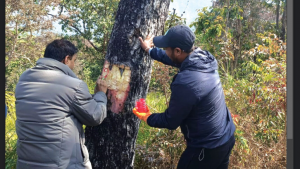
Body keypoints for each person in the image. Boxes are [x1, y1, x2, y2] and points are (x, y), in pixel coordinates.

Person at [133, 25, 236, 169]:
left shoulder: (186, 82)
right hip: (227, 136)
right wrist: (149, 50)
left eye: (166, 49)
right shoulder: (205, 59)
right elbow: (173, 59)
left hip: (206, 148)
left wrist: (147, 117)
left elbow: (170, 121)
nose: (165, 52)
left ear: (178, 51)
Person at [15, 39, 108, 169]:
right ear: (66, 59)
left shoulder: (24, 80)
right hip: (63, 165)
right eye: (74, 61)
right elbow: (95, 116)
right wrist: (101, 94)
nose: (74, 65)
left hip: (26, 163)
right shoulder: (73, 85)